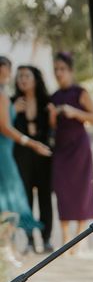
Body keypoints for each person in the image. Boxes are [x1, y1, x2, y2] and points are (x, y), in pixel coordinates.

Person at [50, 52, 93, 247]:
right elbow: (52, 127)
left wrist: (74, 112)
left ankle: (79, 237)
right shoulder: (53, 96)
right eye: (55, 69)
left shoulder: (81, 92)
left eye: (62, 69)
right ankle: (64, 237)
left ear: (70, 70)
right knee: (62, 190)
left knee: (81, 190)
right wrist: (52, 116)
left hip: (79, 147)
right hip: (61, 148)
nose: (58, 73)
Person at [0, 56, 51, 238]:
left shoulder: (44, 101)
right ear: (3, 69)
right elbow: (5, 126)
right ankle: (8, 247)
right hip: (7, 153)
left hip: (9, 151)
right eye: (11, 69)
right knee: (9, 198)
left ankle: (9, 246)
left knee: (9, 197)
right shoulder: (4, 96)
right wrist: (32, 143)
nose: (17, 76)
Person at [12, 65, 56, 253]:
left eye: (26, 75)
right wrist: (13, 110)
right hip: (22, 155)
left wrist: (53, 118)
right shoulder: (12, 102)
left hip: (44, 155)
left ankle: (45, 239)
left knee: (45, 197)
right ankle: (29, 239)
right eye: (19, 76)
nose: (22, 79)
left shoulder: (47, 102)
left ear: (35, 79)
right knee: (26, 198)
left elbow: (53, 132)